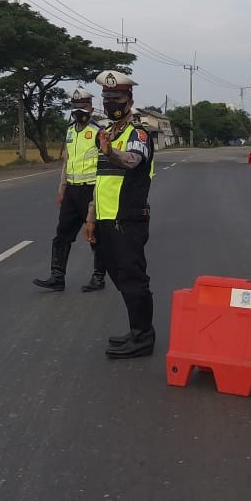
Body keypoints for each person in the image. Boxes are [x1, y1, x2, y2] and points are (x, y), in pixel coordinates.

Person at [84, 71, 156, 359]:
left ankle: (143, 337)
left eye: (117, 98)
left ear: (129, 100)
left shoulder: (138, 134)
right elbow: (100, 181)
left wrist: (111, 153)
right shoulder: (107, 134)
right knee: (119, 277)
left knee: (133, 279)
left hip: (127, 220)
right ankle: (136, 330)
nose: (111, 103)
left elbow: (132, 161)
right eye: (107, 98)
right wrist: (91, 218)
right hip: (105, 220)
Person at [33, 92, 108, 292]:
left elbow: (104, 164)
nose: (78, 111)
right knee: (62, 234)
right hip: (72, 191)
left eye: (83, 106)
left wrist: (96, 196)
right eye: (75, 107)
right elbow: (67, 162)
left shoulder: (98, 132)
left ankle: (98, 277)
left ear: (91, 109)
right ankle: (57, 277)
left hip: (91, 189)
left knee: (95, 236)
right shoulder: (70, 131)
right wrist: (62, 188)